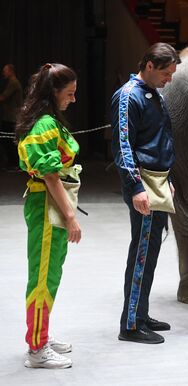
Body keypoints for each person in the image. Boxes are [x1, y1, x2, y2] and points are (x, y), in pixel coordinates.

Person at [111, 43, 180, 344]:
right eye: (166, 72)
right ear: (149, 65)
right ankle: (130, 325)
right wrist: (137, 187)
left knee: (150, 252)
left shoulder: (154, 95)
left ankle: (140, 313)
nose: (170, 78)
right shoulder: (127, 96)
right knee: (141, 253)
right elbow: (123, 147)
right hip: (144, 183)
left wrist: (168, 180)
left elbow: (159, 140)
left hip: (159, 181)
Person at [16, 63, 81, 368]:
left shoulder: (48, 121)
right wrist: (70, 216)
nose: (73, 98)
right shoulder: (44, 125)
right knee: (42, 277)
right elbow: (51, 176)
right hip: (47, 206)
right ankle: (37, 348)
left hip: (49, 204)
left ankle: (40, 334)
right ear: (54, 92)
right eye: (69, 92)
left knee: (50, 274)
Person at [0, 63, 23, 169]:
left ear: (10, 71)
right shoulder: (11, 82)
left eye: (5, 71)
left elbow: (3, 97)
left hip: (12, 117)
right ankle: (12, 163)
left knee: (10, 140)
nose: (3, 73)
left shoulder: (13, 83)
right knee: (7, 140)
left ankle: (15, 164)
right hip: (9, 116)